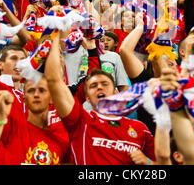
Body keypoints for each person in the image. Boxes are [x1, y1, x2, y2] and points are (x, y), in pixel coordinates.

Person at [44, 32, 156, 165]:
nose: (99, 87)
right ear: (87, 98)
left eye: (104, 84)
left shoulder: (140, 128)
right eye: (93, 85)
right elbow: (54, 80)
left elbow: (165, 162)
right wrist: (56, 29)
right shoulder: (80, 121)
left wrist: (148, 162)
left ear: (116, 93)